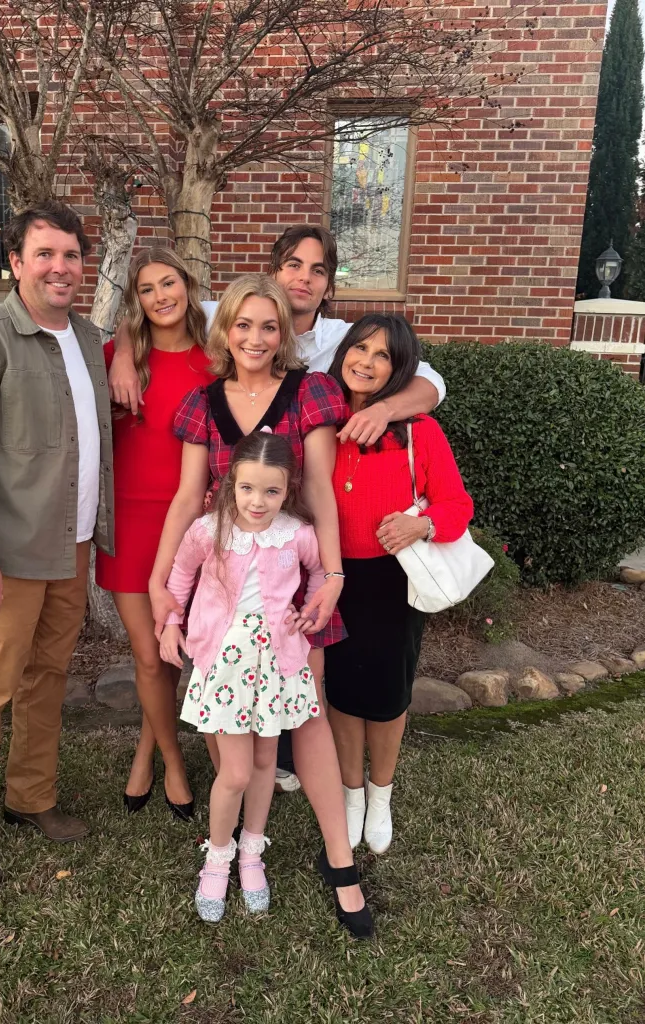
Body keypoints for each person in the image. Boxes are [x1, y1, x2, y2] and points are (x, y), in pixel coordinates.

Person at [109, 224, 446, 790]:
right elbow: (154, 302)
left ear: (328, 284)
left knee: (303, 672)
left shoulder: (334, 353)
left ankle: (324, 800)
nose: (303, 278)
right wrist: (122, 346)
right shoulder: (223, 348)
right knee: (230, 670)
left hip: (297, 550)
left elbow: (419, 385)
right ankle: (237, 796)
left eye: (317, 270)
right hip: (229, 557)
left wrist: (332, 571)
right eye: (293, 264)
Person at [148, 273, 373, 935]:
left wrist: (331, 576)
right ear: (225, 331)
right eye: (242, 325)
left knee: (306, 717)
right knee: (241, 738)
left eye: (268, 326)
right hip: (226, 587)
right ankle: (231, 852)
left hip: (297, 575)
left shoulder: (311, 393)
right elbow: (189, 501)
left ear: (285, 333)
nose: (254, 337)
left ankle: (339, 861)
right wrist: (164, 582)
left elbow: (323, 493)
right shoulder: (202, 403)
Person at [0, 201, 114, 888]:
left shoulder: (89, 338)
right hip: (6, 554)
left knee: (47, 682)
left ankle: (31, 797)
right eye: (45, 254)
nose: (60, 266)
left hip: (74, 546)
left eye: (70, 254)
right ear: (15, 262)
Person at [324, 313, 474, 855]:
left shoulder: (418, 431)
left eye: (382, 354)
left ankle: (380, 792)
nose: (365, 361)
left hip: (394, 576)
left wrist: (424, 522)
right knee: (340, 691)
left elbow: (458, 504)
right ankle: (350, 793)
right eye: (359, 348)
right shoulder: (322, 419)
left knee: (387, 694)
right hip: (332, 574)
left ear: (399, 368)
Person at [96, 248, 212, 819]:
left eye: (169, 283)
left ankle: (145, 748)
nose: (161, 296)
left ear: (188, 287)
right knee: (147, 655)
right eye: (147, 289)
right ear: (136, 301)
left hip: (193, 524)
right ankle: (172, 761)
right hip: (129, 520)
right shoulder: (118, 356)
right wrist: (119, 351)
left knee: (173, 657)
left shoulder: (216, 358)